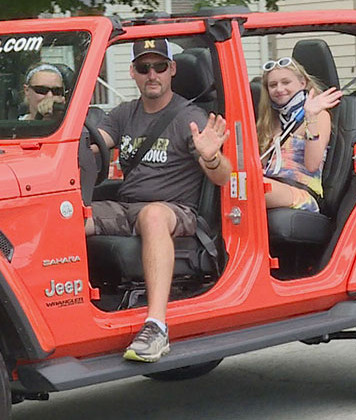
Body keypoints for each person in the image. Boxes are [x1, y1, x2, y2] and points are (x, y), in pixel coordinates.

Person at [88, 39, 232, 363]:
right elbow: (96, 145)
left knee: (153, 215)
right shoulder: (124, 113)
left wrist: (211, 157)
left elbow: (223, 177)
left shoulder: (189, 116)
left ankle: (156, 326)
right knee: (63, 216)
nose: (152, 74)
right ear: (134, 73)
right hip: (127, 207)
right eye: (143, 67)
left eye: (159, 66)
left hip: (176, 210)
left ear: (172, 70)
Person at [256, 57, 342, 212]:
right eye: (273, 85)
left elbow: (312, 165)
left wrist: (310, 116)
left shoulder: (319, 115)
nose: (279, 89)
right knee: (236, 185)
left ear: (302, 83)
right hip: (271, 185)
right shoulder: (270, 121)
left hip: (302, 192)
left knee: (251, 189)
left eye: (286, 82)